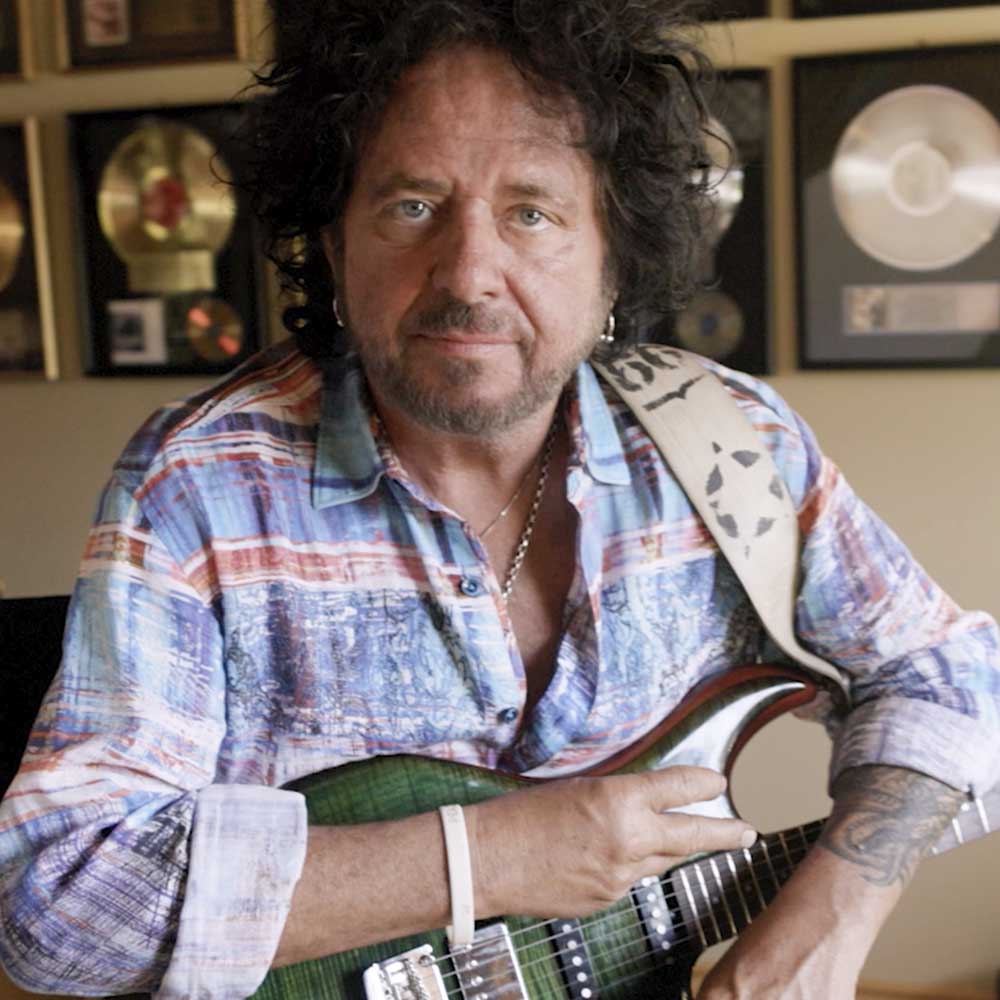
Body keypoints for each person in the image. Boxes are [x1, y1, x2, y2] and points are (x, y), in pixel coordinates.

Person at [2, 1, 999, 997]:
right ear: (333, 242)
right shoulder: (200, 484)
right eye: (411, 206)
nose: (468, 272)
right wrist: (491, 858)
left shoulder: (730, 443)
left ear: (612, 256)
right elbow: (54, 905)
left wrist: (827, 924)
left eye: (531, 212)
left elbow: (952, 678)